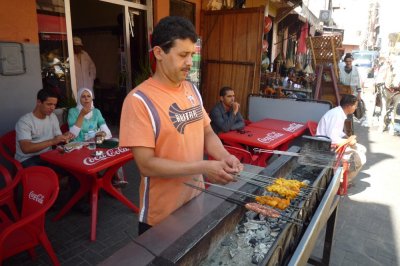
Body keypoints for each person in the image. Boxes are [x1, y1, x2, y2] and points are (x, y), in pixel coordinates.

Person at [119, 16, 242, 235]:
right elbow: (146, 165)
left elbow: (207, 132)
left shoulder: (191, 90)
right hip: (161, 217)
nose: (189, 62)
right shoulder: (138, 100)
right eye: (183, 55)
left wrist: (224, 156)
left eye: (192, 55)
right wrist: (203, 167)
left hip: (195, 201)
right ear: (159, 53)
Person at [68, 88, 127, 187]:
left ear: (92, 99)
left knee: (116, 143)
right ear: (79, 99)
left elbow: (107, 132)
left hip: (96, 142)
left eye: (88, 96)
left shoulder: (96, 112)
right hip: (80, 145)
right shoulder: (73, 112)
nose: (86, 99)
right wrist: (82, 115)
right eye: (83, 96)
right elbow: (73, 134)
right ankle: (109, 180)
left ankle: (116, 179)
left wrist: (99, 137)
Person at [15, 89, 74, 168]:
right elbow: (26, 148)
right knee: (44, 177)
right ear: (39, 102)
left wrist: (64, 136)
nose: (52, 108)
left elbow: (57, 138)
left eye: (54, 105)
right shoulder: (25, 122)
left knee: (73, 168)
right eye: (49, 104)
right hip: (27, 159)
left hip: (47, 156)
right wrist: (53, 141)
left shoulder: (52, 116)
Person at [316, 94, 367, 183]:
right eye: (355, 106)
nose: (355, 108)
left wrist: (347, 138)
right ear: (348, 106)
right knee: (361, 158)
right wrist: (348, 141)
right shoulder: (337, 115)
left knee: (362, 148)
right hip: (327, 147)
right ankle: (342, 182)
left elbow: (337, 132)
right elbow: (332, 138)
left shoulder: (338, 112)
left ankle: (342, 178)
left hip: (331, 144)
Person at [339, 53, 368, 127]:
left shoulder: (355, 69)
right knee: (343, 109)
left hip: (353, 93)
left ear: (352, 61)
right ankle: (342, 125)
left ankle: (349, 127)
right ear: (345, 61)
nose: (348, 63)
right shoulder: (341, 70)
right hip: (344, 92)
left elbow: (358, 82)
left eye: (350, 61)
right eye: (347, 61)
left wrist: (359, 94)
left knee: (351, 110)